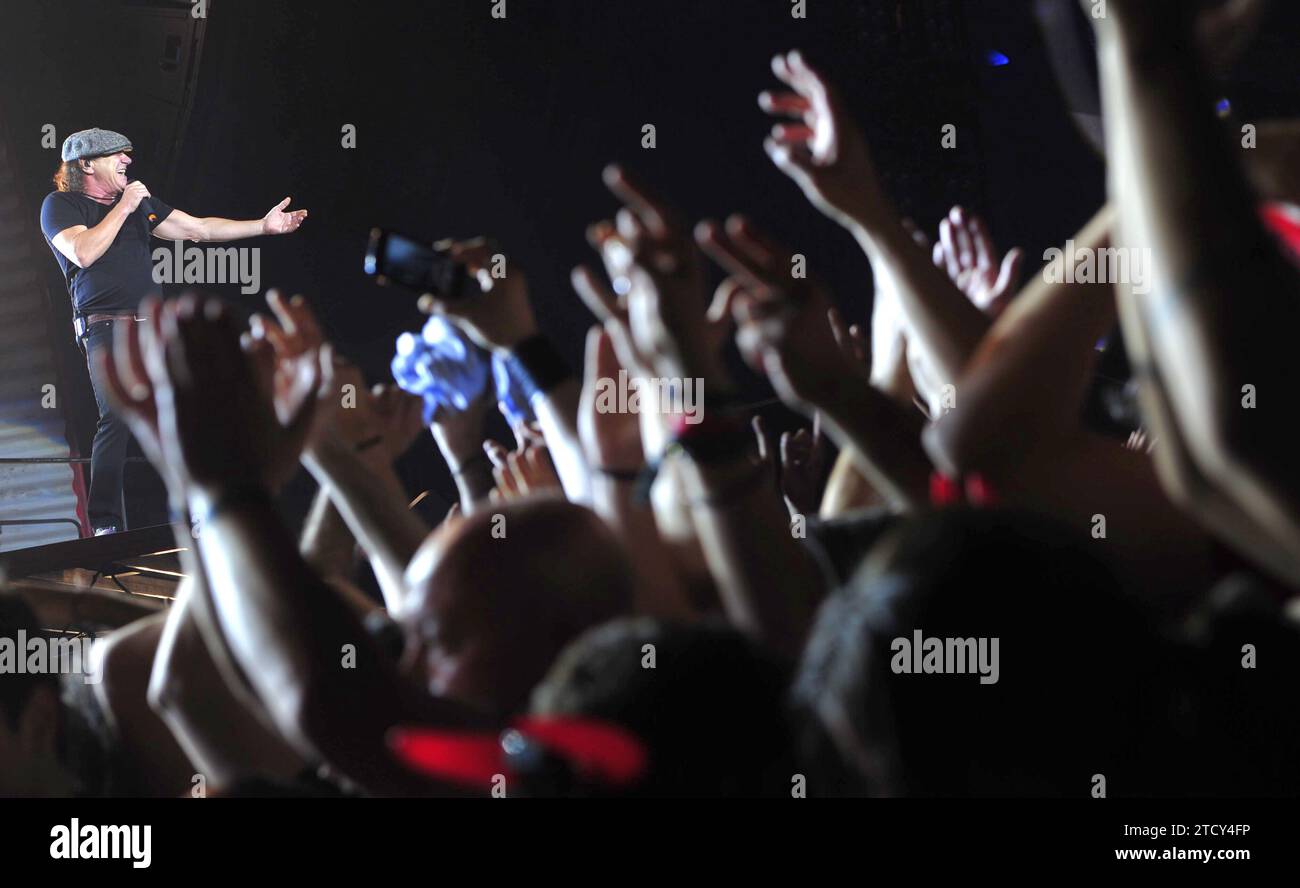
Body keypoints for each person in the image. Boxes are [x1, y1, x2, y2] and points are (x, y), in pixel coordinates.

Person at [39, 127, 309, 535]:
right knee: (116, 417)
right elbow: (84, 251)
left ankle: (204, 508)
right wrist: (126, 207)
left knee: (188, 409)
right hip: (107, 328)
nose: (128, 160)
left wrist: (262, 226)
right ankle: (106, 523)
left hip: (154, 326)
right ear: (87, 164)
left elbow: (198, 229)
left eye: (128, 154)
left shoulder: (137, 206)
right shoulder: (60, 205)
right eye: (117, 155)